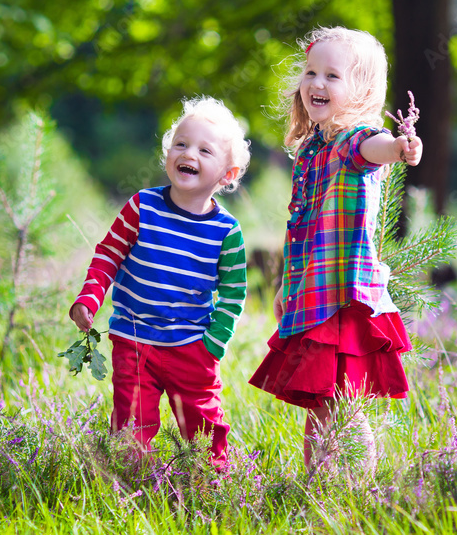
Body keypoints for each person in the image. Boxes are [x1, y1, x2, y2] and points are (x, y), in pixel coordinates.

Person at [248, 25, 423, 469]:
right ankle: (321, 486)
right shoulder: (312, 148)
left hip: (344, 296)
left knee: (343, 403)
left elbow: (375, 148)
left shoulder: (351, 141)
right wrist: (290, 288)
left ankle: (356, 488)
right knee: (322, 404)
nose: (316, 83)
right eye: (310, 72)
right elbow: (301, 230)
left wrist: (401, 147)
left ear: (361, 90)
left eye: (332, 75)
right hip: (315, 292)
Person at [68, 96, 250, 468]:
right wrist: (90, 297)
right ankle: (130, 484)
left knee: (202, 431)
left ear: (227, 175)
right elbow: (108, 254)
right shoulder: (142, 207)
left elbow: (233, 295)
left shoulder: (226, 232)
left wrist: (212, 345)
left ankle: (211, 485)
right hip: (134, 341)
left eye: (204, 149)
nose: (189, 153)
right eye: (180, 144)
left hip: (191, 348)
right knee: (131, 429)